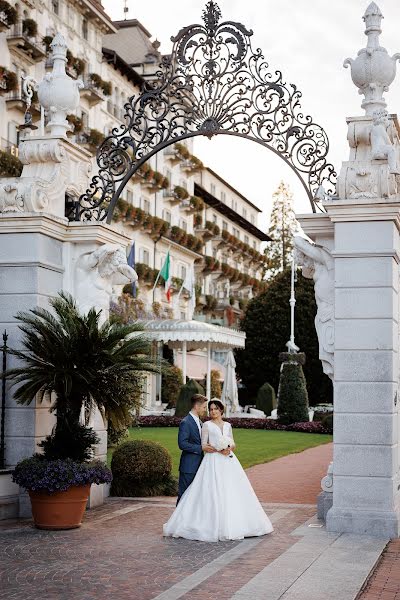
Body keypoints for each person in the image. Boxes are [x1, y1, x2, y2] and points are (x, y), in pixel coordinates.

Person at [164, 399, 273, 542]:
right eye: (210, 409)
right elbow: (204, 444)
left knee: (232, 490)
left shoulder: (228, 425)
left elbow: (233, 442)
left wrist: (229, 448)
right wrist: (218, 449)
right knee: (212, 491)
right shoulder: (207, 425)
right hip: (213, 461)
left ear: (221, 410)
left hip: (229, 462)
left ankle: (236, 523)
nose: (213, 411)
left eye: (215, 409)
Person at [176, 393, 215, 504]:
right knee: (184, 497)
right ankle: (178, 521)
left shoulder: (200, 422)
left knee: (194, 498)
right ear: (197, 407)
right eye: (204, 407)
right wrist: (201, 448)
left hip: (200, 466)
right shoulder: (186, 422)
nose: (205, 410)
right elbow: (182, 444)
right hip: (188, 467)